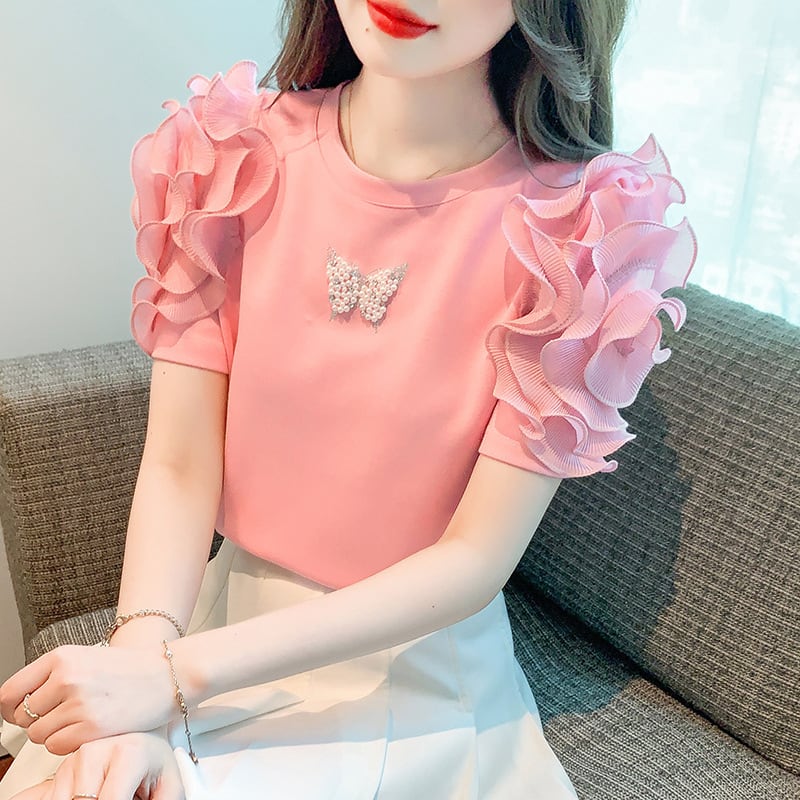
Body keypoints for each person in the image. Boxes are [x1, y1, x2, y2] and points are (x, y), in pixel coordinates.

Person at [0, 0, 697, 797]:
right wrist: (138, 677)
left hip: (408, 667)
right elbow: (181, 464)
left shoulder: (578, 232)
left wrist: (172, 678)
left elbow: (473, 559)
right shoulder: (228, 155)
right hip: (218, 613)